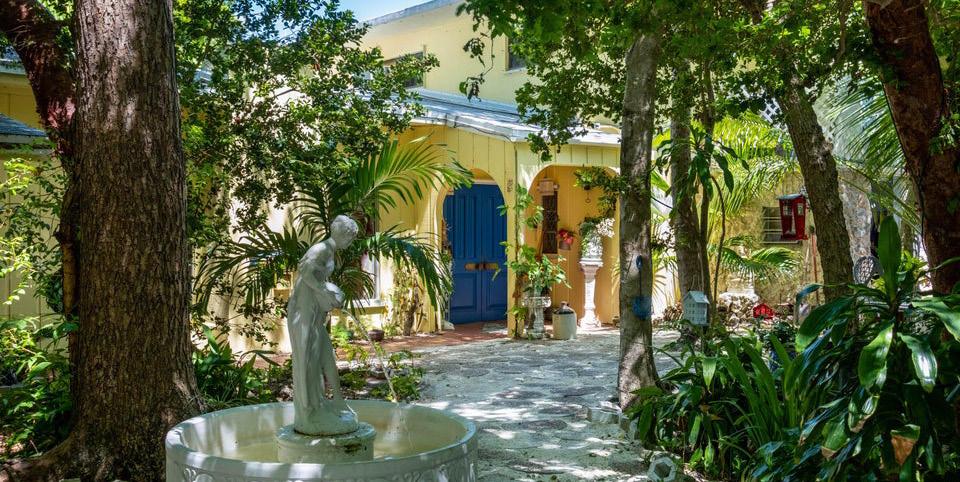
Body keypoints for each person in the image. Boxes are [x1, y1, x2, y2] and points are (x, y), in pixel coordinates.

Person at [286, 215, 360, 436]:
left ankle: (331, 402)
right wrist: (323, 290)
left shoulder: (329, 251)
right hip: (304, 310)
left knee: (325, 356)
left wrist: (324, 296)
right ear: (342, 234)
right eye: (350, 237)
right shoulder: (321, 249)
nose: (351, 242)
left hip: (315, 311)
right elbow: (304, 271)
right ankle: (310, 412)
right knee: (308, 359)